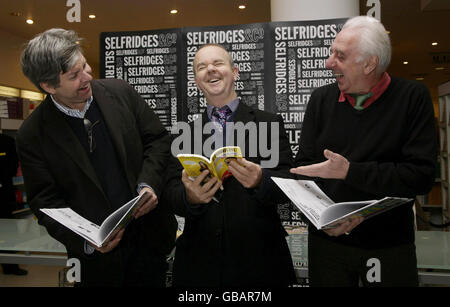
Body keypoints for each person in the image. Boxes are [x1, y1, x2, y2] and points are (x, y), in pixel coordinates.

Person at [17, 28, 177, 286]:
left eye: (85, 66)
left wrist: (149, 183)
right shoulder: (32, 134)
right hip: (95, 263)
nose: (88, 76)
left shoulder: (120, 92)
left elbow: (157, 140)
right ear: (48, 86)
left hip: (150, 242)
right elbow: (45, 202)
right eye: (74, 75)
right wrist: (85, 241)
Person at [290, 16, 437, 287]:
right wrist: (323, 219)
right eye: (331, 52)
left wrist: (349, 172)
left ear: (370, 63)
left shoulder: (412, 97)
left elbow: (421, 176)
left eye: (340, 56)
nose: (329, 62)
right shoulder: (321, 99)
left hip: (387, 247)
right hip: (327, 245)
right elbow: (304, 169)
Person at [163, 44, 296, 287]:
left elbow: (290, 185)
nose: (210, 70)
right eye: (202, 67)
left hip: (260, 263)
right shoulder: (183, 134)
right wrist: (189, 197)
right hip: (199, 265)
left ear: (234, 72)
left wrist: (260, 180)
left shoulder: (269, 123)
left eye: (218, 63)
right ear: (196, 81)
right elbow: (170, 192)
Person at [0, 133, 27, 276]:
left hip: (3, 194)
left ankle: (10, 267)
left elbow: (12, 166)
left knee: (8, 232)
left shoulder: (7, 142)